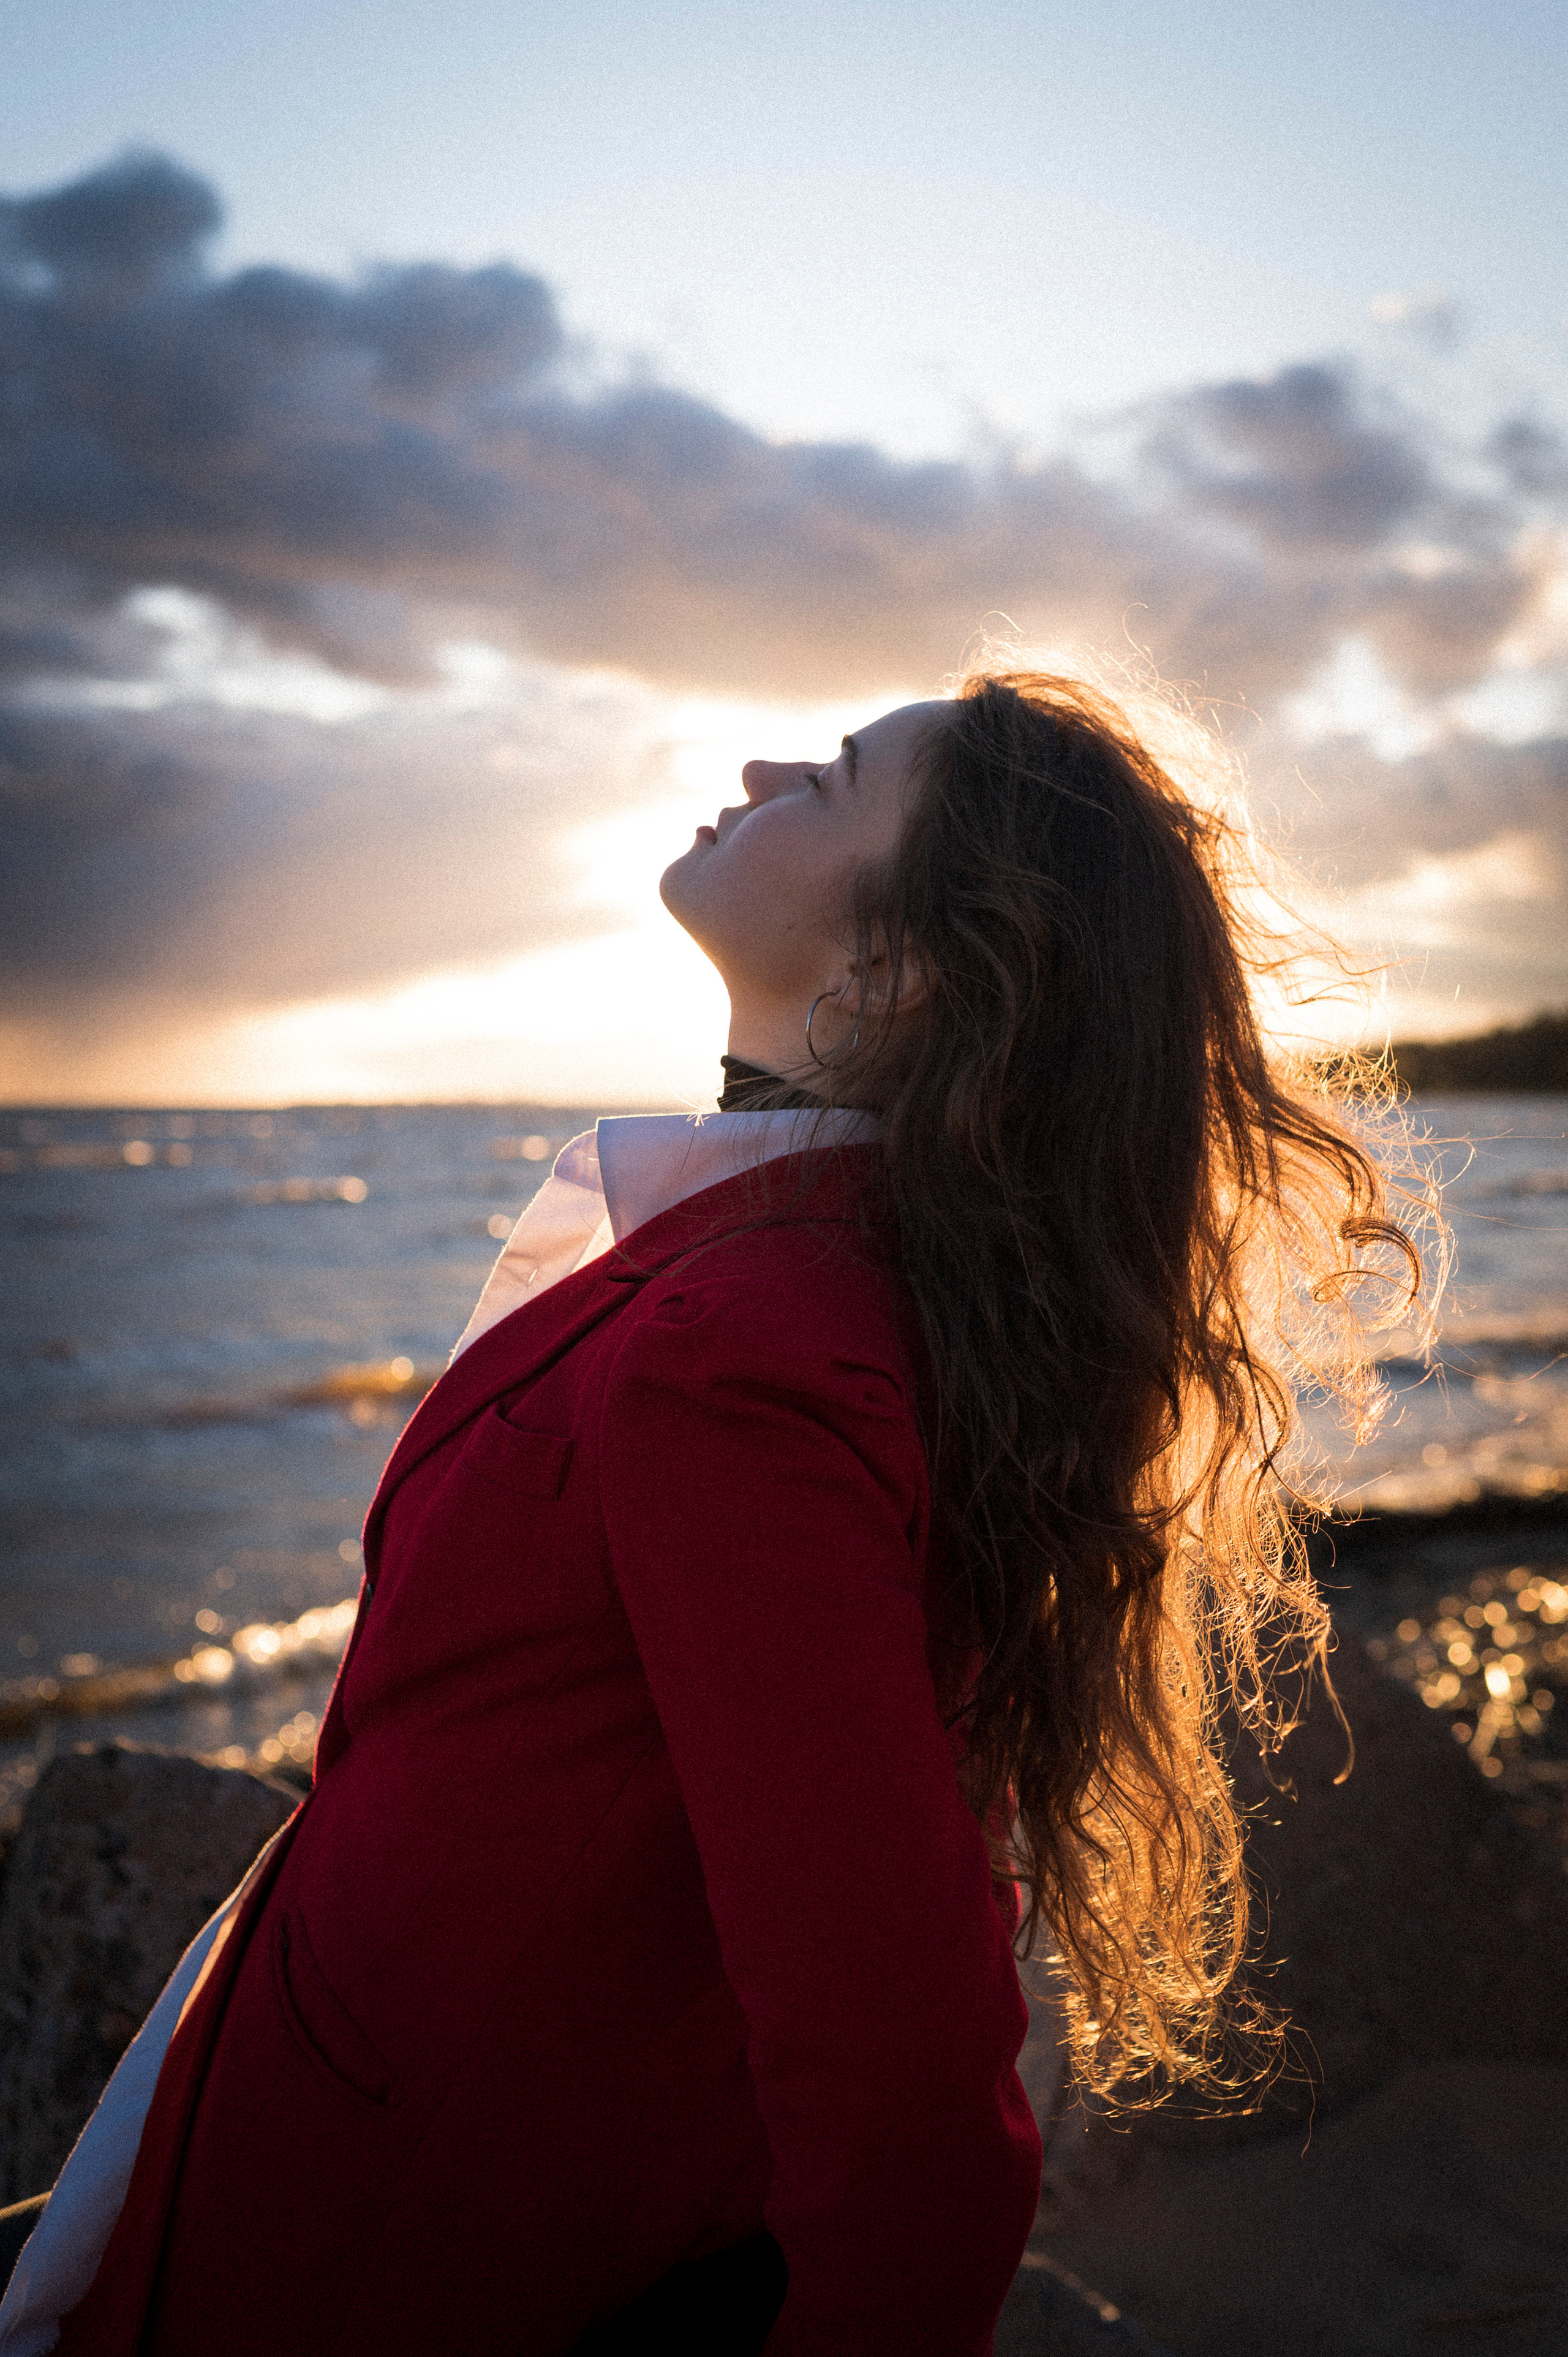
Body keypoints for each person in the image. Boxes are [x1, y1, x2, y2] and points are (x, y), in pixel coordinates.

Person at [9, 670, 1423, 2356]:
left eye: (828, 777)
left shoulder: (740, 1353)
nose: (762, 760)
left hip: (415, 2232)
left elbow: (903, 2065)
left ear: (899, 966)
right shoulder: (854, 1281)